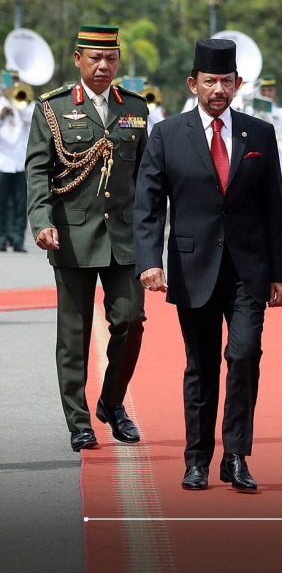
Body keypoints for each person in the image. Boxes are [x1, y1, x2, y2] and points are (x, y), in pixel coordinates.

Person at [133, 38, 282, 492]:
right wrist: (149, 261)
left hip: (249, 270)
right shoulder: (167, 134)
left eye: (226, 81)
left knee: (244, 356)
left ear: (238, 84)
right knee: (200, 365)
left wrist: (281, 270)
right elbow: (148, 205)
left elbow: (272, 207)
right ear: (193, 84)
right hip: (192, 265)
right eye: (209, 81)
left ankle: (236, 455)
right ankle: (197, 459)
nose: (218, 89)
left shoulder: (258, 134)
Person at [25, 24, 147, 452]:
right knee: (73, 335)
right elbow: (38, 171)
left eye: (111, 58)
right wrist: (41, 221)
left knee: (130, 321)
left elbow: (146, 176)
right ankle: (78, 421)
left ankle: (112, 403)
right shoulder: (53, 108)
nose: (103, 66)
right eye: (95, 58)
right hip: (72, 236)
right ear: (78, 59)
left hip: (125, 238)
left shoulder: (135, 108)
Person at [0, 79, 34, 251]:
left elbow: (33, 122)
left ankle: (18, 239)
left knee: (21, 204)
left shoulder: (28, 104)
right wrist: (3, 113)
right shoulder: (1, 105)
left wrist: (19, 109)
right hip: (2, 162)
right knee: (2, 203)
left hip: (20, 162)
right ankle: (1, 238)